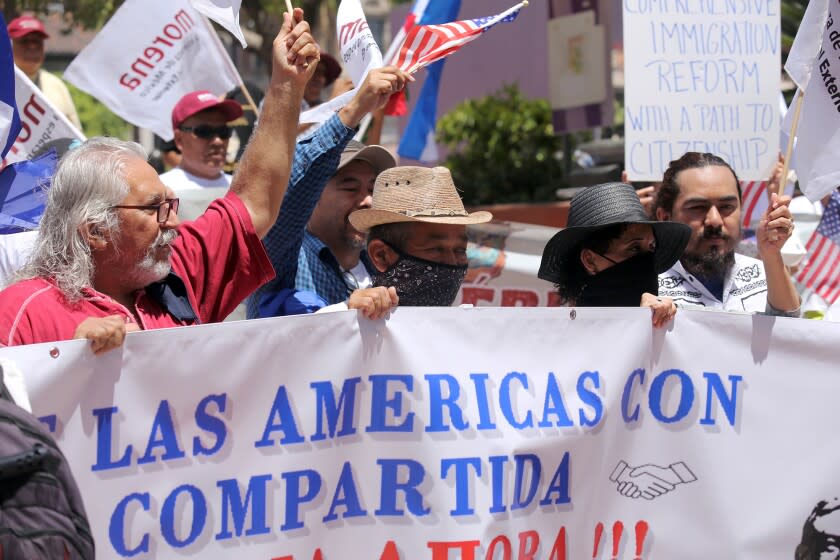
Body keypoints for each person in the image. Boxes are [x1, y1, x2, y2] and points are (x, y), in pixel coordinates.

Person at [0, 8, 319, 351]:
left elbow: (254, 203)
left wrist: (287, 85)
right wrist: (64, 360)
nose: (176, 222)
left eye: (170, 205)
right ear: (95, 229)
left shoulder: (179, 271)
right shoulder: (20, 313)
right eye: (155, 208)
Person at [246, 67, 412, 319]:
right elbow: (294, 190)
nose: (366, 200)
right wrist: (352, 110)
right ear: (313, 195)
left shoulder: (385, 268)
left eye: (372, 188)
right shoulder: (281, 258)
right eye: (350, 187)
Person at [654, 152, 800, 315]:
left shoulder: (765, 274)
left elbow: (790, 327)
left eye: (726, 207)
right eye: (697, 207)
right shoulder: (646, 286)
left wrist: (771, 255)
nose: (715, 220)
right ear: (664, 217)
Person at [538, 182, 691, 328]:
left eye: (652, 247)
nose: (647, 259)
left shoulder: (665, 322)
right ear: (590, 261)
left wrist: (659, 325)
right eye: (634, 248)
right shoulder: (563, 335)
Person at [7, 15, 81, 130]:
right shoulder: (3, 85)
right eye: (24, 41)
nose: (32, 46)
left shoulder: (56, 85)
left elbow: (76, 136)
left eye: (37, 41)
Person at [159, 91, 244, 191]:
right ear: (179, 140)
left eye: (223, 131)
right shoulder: (161, 192)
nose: (218, 141)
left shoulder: (243, 191)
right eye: (204, 131)